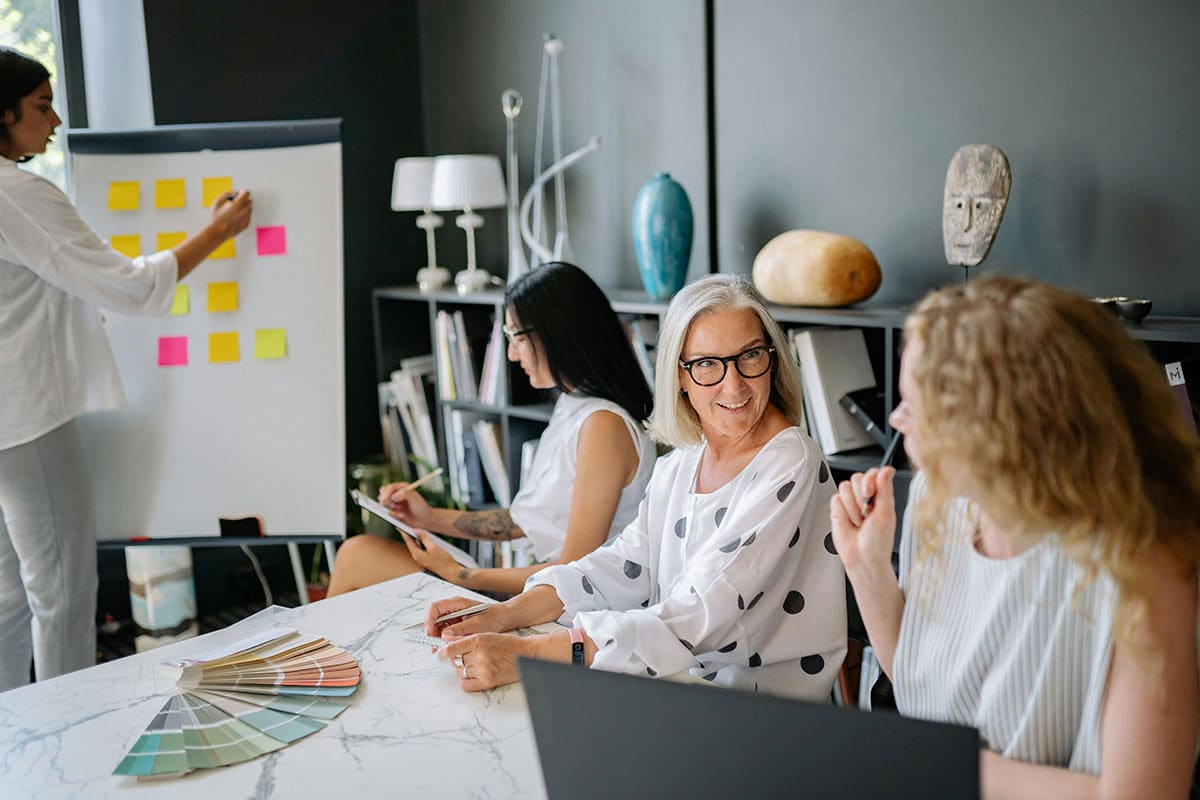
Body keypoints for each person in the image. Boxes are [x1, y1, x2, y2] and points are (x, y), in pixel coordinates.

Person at [831, 275, 1200, 797]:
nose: (894, 417)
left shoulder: (1147, 564)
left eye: (917, 403)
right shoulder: (943, 507)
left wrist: (928, 764)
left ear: (998, 425)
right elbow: (924, 687)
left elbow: (1139, 794)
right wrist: (866, 567)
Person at [425, 274, 847, 700]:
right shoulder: (683, 461)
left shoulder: (790, 460)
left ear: (772, 359)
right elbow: (622, 565)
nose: (733, 384)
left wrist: (526, 652)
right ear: (678, 375)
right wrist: (501, 615)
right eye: (706, 364)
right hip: (679, 688)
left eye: (750, 356)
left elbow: (700, 613)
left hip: (760, 716)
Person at [0, 48, 252, 691]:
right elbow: (133, 288)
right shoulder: (19, 193)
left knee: (9, 596)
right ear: (1, 113)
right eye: (41, 106)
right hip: (24, 418)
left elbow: (27, 292)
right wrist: (218, 231)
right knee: (59, 589)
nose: (55, 121)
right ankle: (71, 736)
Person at [327, 262, 656, 597]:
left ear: (556, 334)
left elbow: (573, 570)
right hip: (543, 590)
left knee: (357, 557)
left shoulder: (604, 426)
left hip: (564, 608)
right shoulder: (574, 405)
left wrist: (463, 576)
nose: (512, 354)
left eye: (516, 337)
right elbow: (519, 522)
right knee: (358, 554)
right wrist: (426, 517)